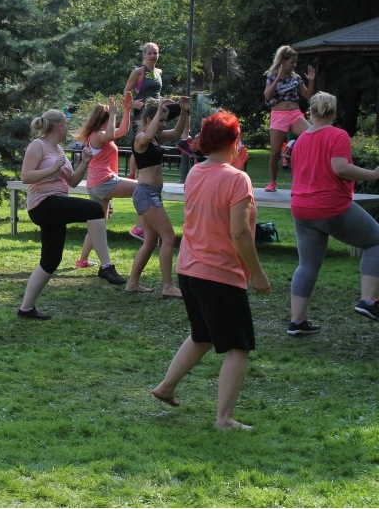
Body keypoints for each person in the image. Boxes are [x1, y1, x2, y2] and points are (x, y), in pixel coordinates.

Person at [152, 110, 271, 430]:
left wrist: (236, 168)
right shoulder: (237, 179)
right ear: (233, 141)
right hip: (218, 272)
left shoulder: (196, 172)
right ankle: (223, 419)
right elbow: (240, 233)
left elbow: (220, 199)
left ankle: (166, 387)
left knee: (203, 335)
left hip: (189, 270)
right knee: (239, 347)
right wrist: (257, 273)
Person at [17, 110, 128, 320]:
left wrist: (85, 162)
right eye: (66, 125)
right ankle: (106, 266)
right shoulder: (37, 145)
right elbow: (26, 177)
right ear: (59, 126)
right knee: (94, 209)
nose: (68, 129)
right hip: (42, 204)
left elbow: (73, 182)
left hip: (56, 205)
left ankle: (26, 308)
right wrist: (51, 169)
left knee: (51, 260)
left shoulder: (58, 150)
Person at [286, 92, 379, 335]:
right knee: (376, 241)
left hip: (301, 208)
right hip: (331, 206)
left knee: (307, 265)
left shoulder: (300, 140)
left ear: (311, 112)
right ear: (334, 113)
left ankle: (297, 322)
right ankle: (368, 301)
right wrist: (373, 174)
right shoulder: (338, 135)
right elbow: (340, 168)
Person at [127, 97, 189, 297]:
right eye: (161, 120)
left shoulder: (155, 138)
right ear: (149, 120)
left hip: (151, 194)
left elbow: (178, 133)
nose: (163, 125)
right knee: (169, 237)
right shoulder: (141, 138)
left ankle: (132, 283)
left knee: (151, 241)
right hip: (146, 194)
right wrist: (161, 107)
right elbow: (149, 132)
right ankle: (168, 286)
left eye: (164, 121)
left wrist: (184, 111)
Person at [75, 93, 136, 268]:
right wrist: (115, 113)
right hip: (104, 183)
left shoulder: (99, 134)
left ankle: (83, 260)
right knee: (146, 187)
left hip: (96, 185)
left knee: (98, 225)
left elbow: (123, 131)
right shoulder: (98, 135)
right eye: (110, 117)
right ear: (105, 118)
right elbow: (110, 135)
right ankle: (141, 227)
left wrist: (126, 110)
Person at [123, 42, 164, 241]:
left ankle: (146, 175)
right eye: (149, 53)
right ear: (144, 55)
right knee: (140, 144)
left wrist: (164, 102)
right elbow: (126, 92)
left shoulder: (159, 73)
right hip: (142, 114)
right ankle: (133, 174)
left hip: (155, 113)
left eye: (155, 53)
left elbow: (157, 93)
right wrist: (133, 103)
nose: (152, 56)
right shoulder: (138, 72)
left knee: (153, 145)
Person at [263, 45, 315, 192]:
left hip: (295, 114)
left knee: (312, 135)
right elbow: (267, 95)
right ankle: (273, 182)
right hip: (279, 116)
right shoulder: (272, 76)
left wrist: (311, 80)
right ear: (283, 61)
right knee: (274, 153)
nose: (294, 65)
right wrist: (278, 77)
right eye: (291, 62)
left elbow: (308, 95)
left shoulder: (296, 78)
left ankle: (298, 157)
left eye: (295, 62)